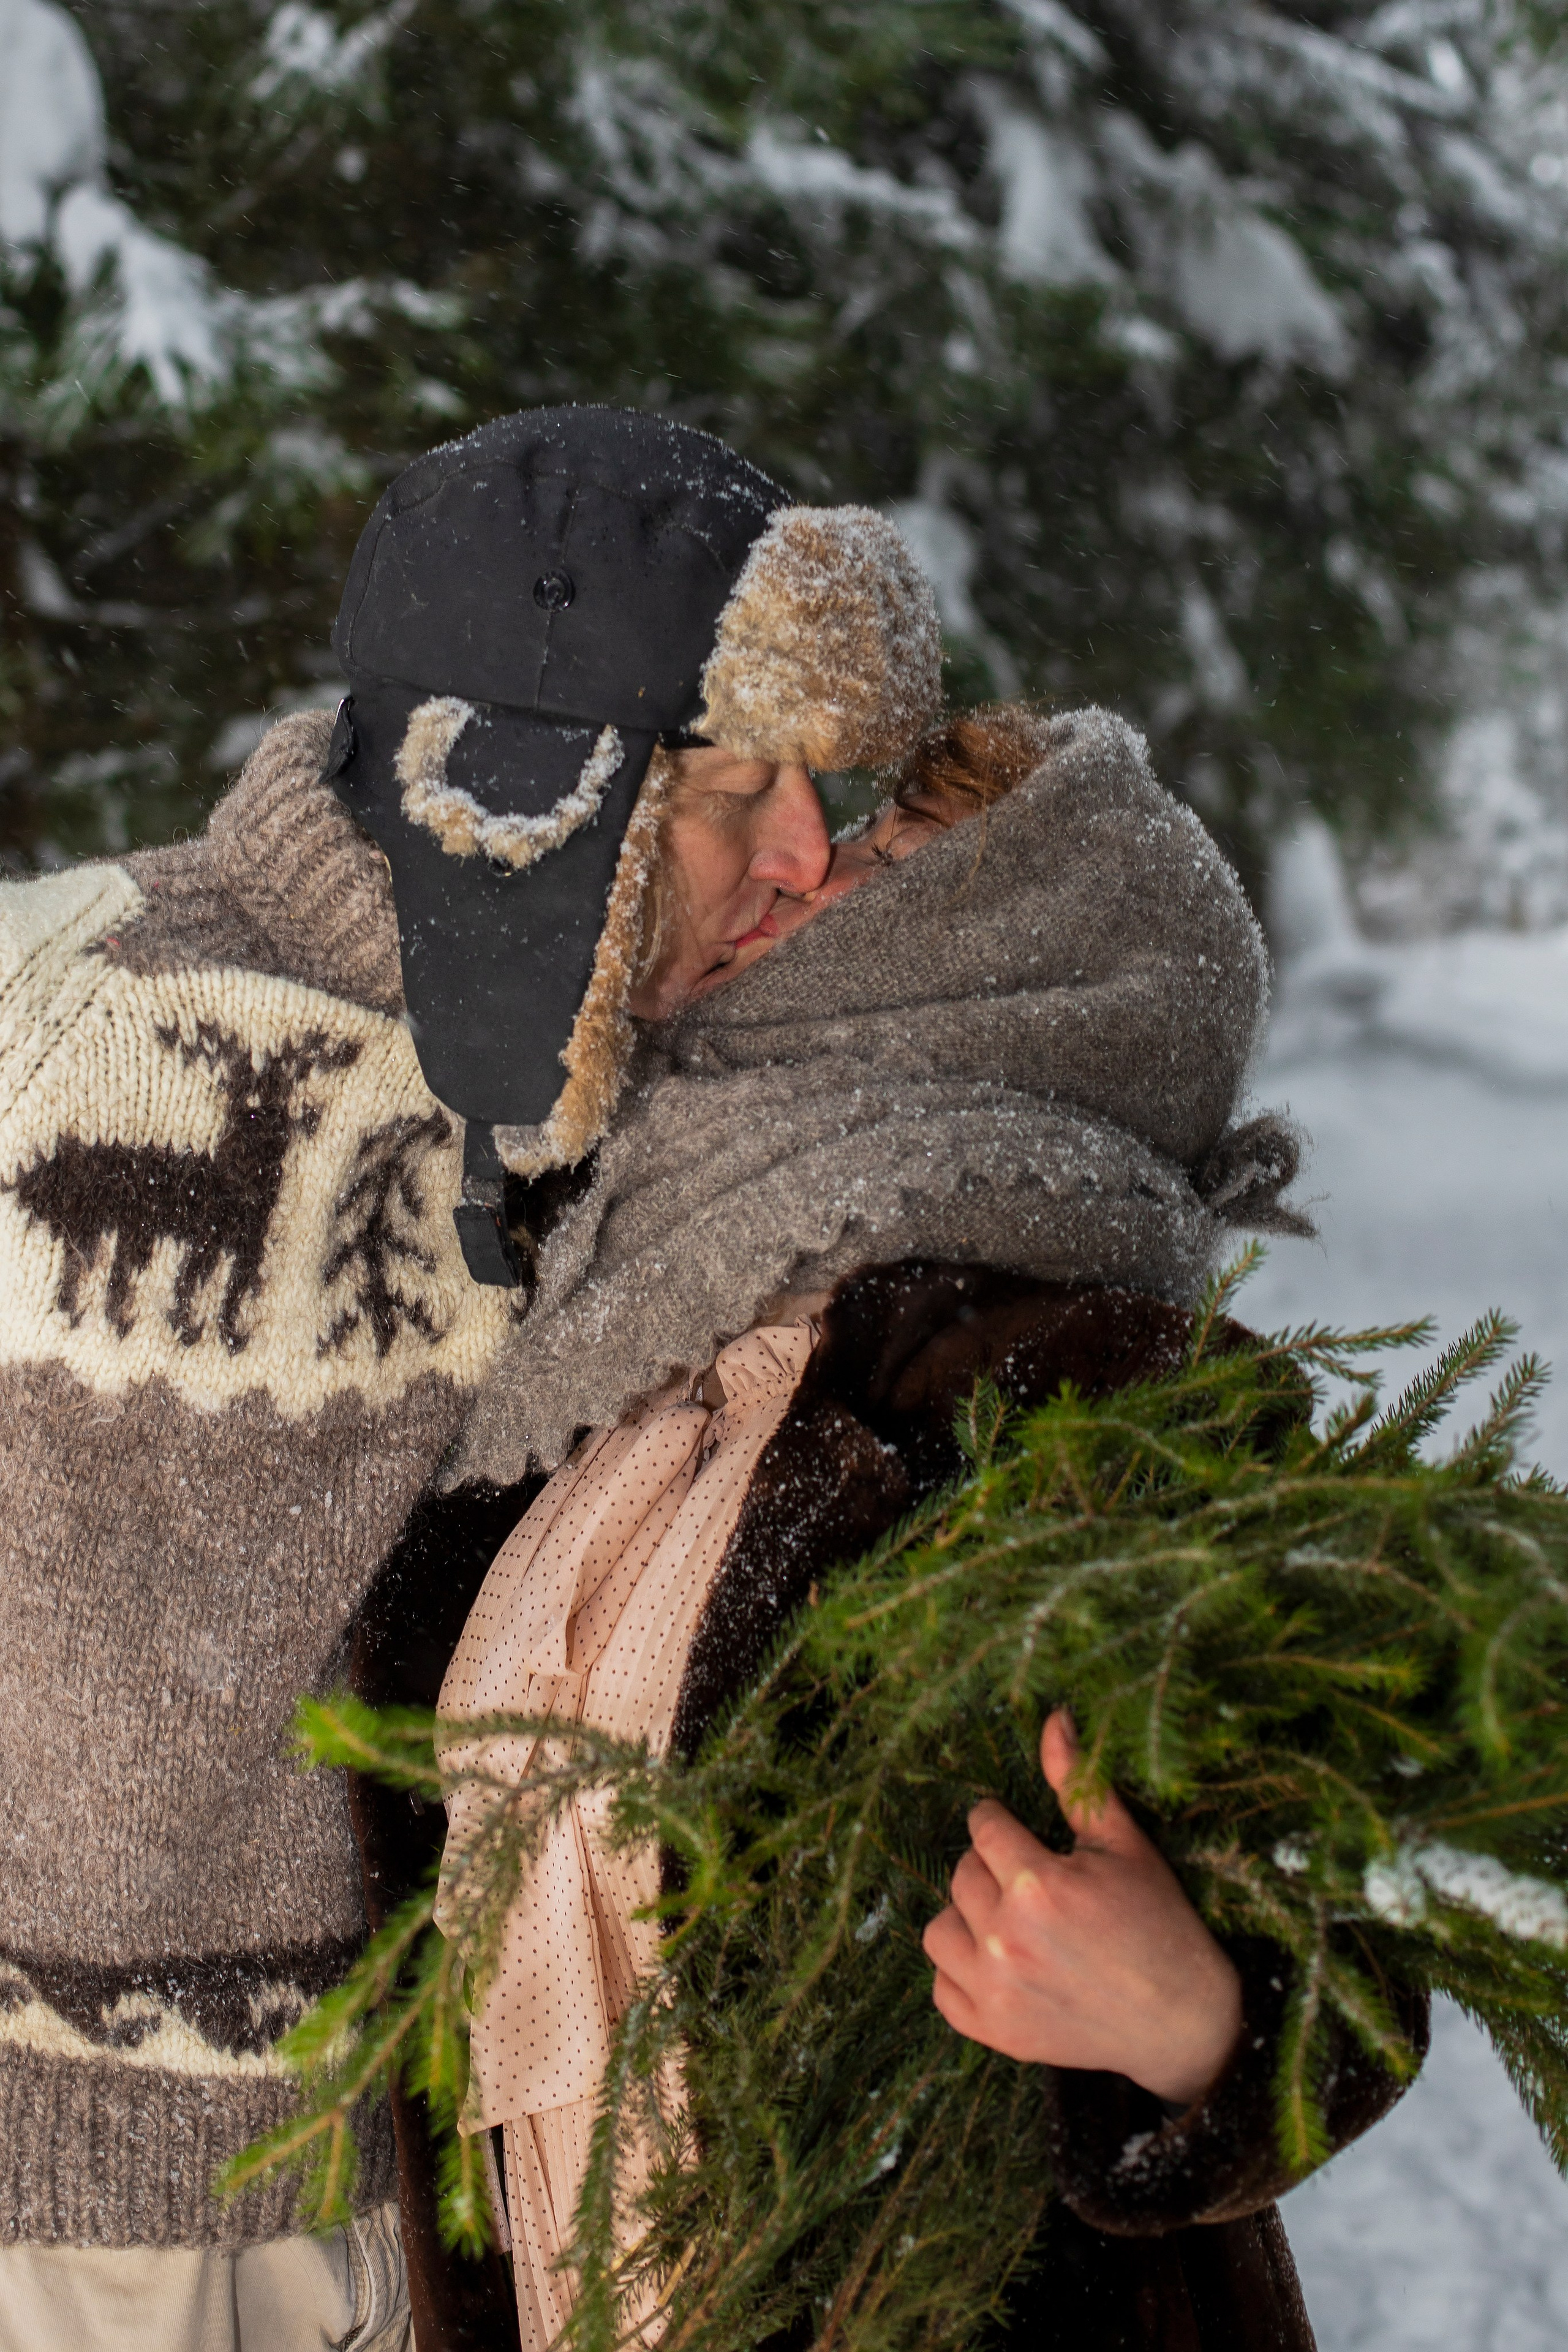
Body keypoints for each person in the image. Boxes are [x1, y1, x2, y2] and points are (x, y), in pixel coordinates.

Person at [0, 407, 946, 2352]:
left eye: (816, 790)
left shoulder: (686, 1102)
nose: (802, 856)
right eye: (726, 787)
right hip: (80, 2248)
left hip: (499, 2202)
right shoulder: (39, 999)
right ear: (516, 790)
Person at [430, 699, 1424, 2352]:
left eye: (890, 856)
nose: (806, 867)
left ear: (1007, 966)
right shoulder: (596, 1299)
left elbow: (1356, 1917)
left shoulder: (1106, 1394)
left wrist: (1196, 2027)